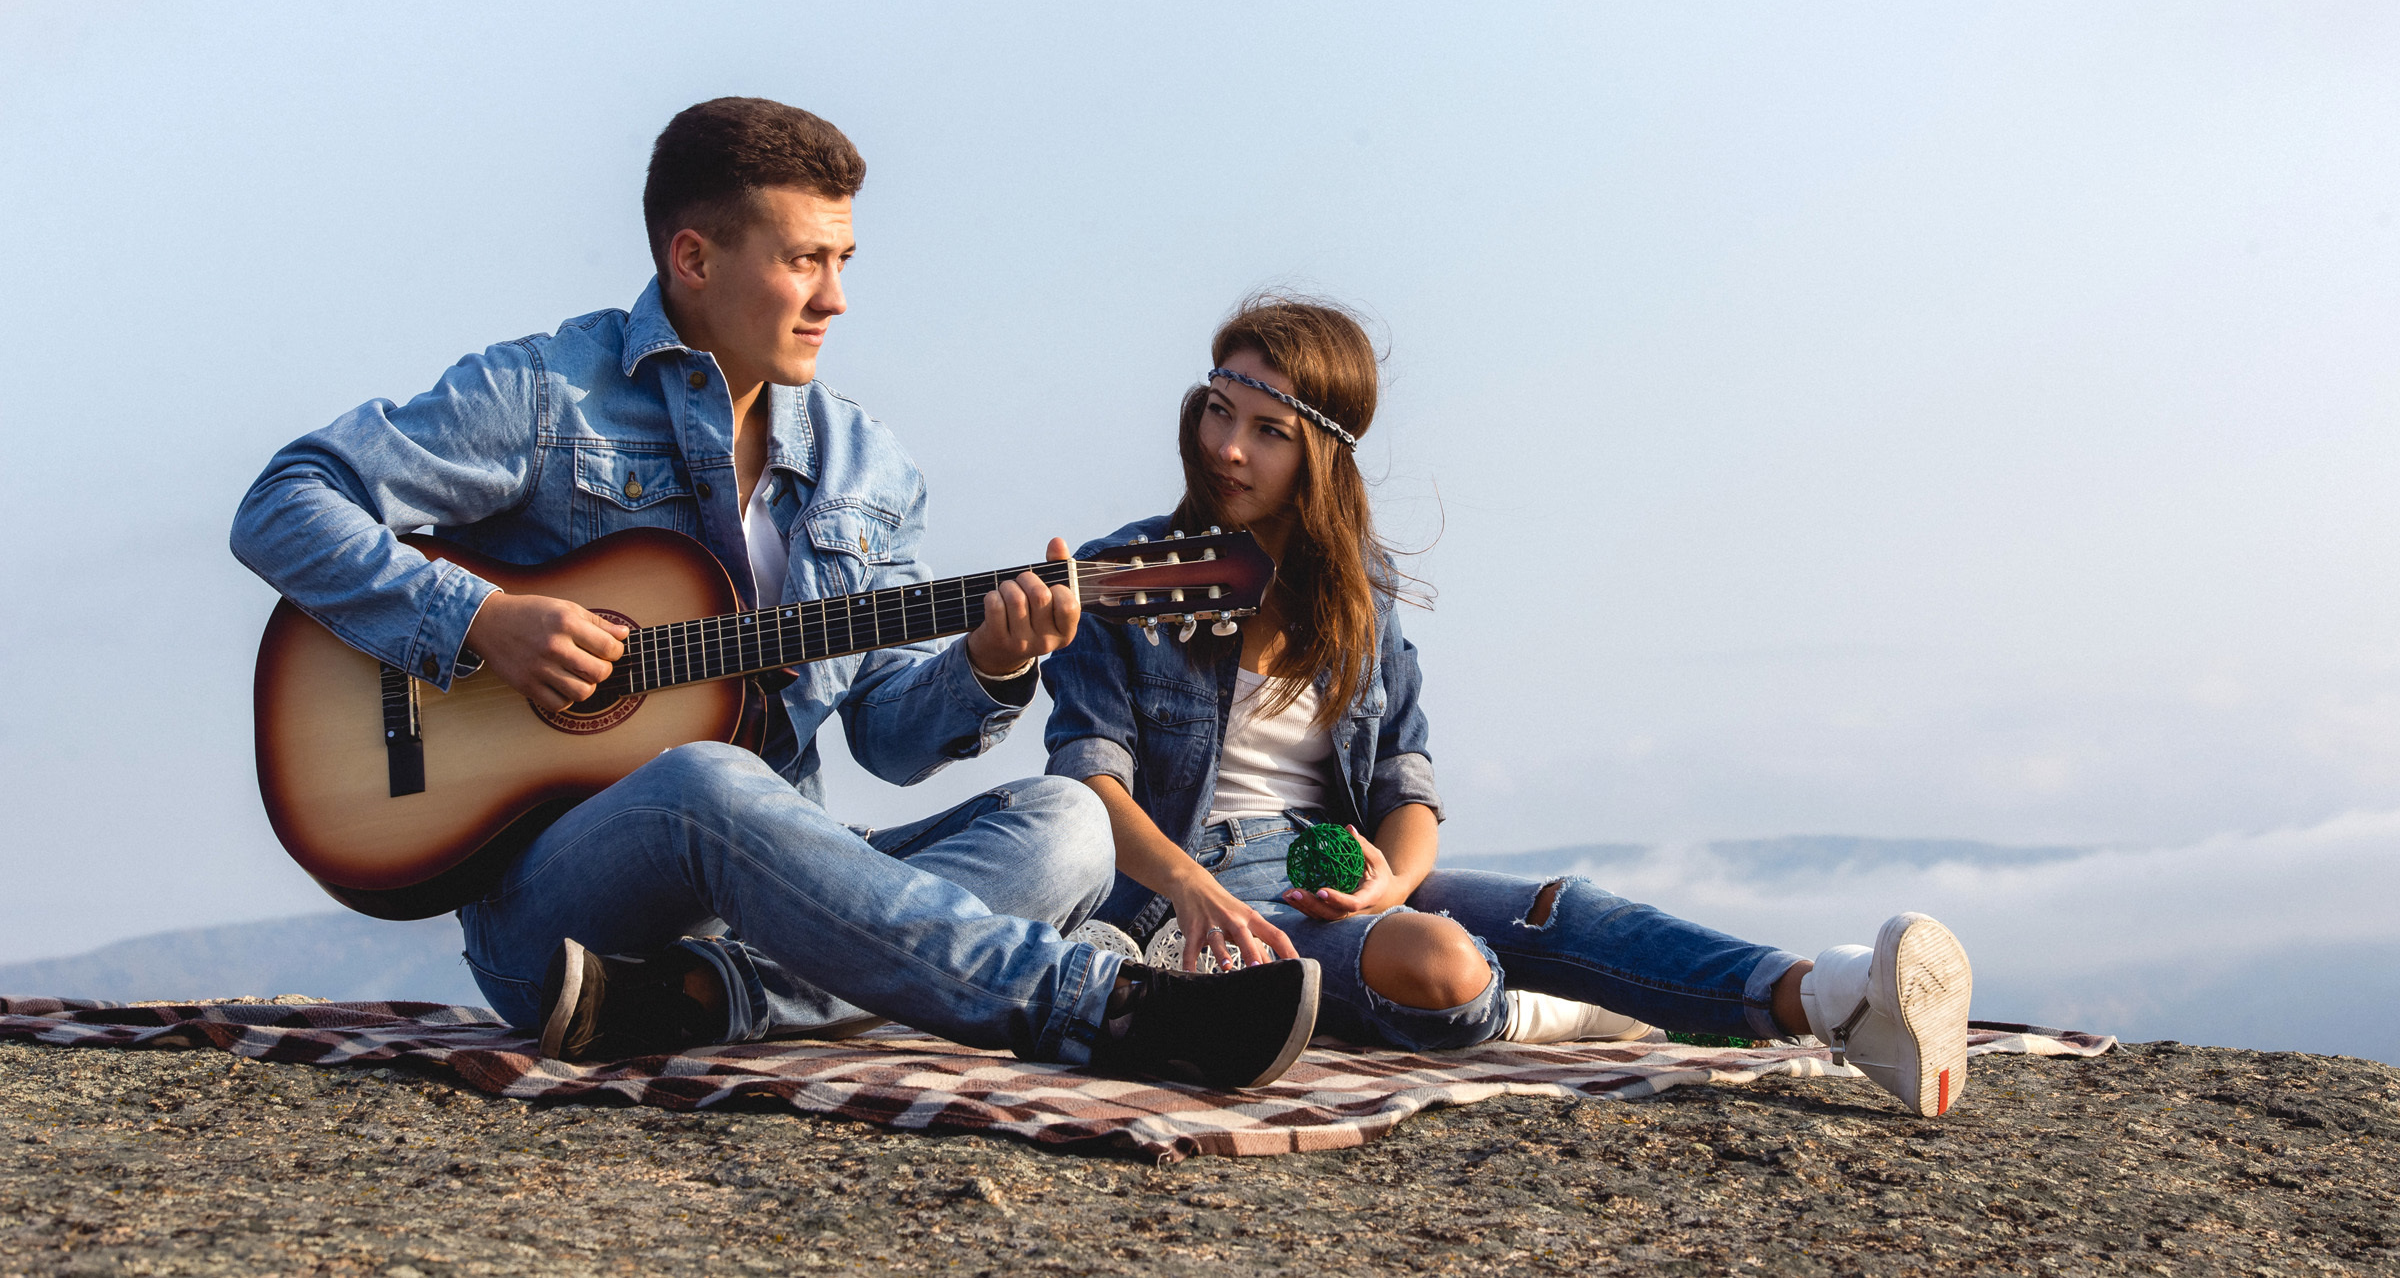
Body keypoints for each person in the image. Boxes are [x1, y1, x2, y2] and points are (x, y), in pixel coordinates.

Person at [230, 99, 1319, 1088]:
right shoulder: (545, 393)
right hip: (561, 929)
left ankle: (711, 999)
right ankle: (1094, 1004)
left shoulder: (867, 468)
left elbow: (889, 740)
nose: (836, 298)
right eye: (805, 261)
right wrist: (483, 620)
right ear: (693, 257)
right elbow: (286, 500)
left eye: (844, 259)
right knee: (700, 777)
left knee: (1072, 822)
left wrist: (994, 665)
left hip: (790, 898)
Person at [1042, 293, 1975, 1116]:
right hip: (1186, 895)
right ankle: (1547, 1015)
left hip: (1336, 870)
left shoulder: (1358, 593)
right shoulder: (1123, 577)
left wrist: (1391, 884)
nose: (1228, 448)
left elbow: (1408, 783)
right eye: (1217, 412)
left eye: (1267, 430)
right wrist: (1196, 891)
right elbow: (1091, 786)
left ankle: (1836, 999)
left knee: (1557, 911)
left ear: (1324, 455)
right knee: (1442, 966)